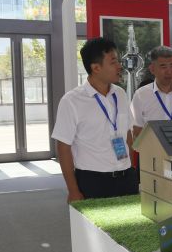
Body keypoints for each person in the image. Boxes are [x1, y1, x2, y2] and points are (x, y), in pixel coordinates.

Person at [52, 37, 137, 201]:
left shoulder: (120, 94)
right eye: (113, 62)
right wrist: (73, 190)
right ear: (96, 68)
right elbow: (63, 147)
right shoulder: (72, 101)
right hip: (93, 180)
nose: (119, 66)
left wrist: (131, 168)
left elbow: (127, 134)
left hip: (126, 178)